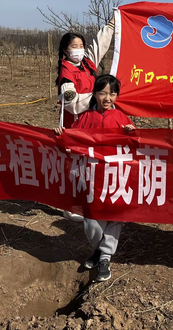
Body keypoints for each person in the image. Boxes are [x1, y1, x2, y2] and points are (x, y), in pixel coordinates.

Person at [55, 74, 135, 282]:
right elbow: (71, 139)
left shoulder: (122, 119)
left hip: (115, 176)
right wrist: (61, 134)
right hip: (91, 175)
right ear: (95, 94)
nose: (107, 98)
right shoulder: (85, 118)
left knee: (114, 216)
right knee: (91, 218)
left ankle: (104, 256)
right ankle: (99, 250)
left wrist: (131, 133)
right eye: (102, 93)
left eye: (112, 93)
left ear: (117, 95)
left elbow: (136, 145)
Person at [56, 18, 115, 221]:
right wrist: (95, 98)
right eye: (74, 46)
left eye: (81, 46)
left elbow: (99, 45)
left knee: (92, 161)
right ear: (65, 50)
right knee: (76, 163)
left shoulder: (87, 63)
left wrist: (111, 26)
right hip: (75, 123)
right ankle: (71, 203)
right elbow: (69, 101)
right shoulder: (66, 71)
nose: (79, 50)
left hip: (93, 120)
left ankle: (90, 198)